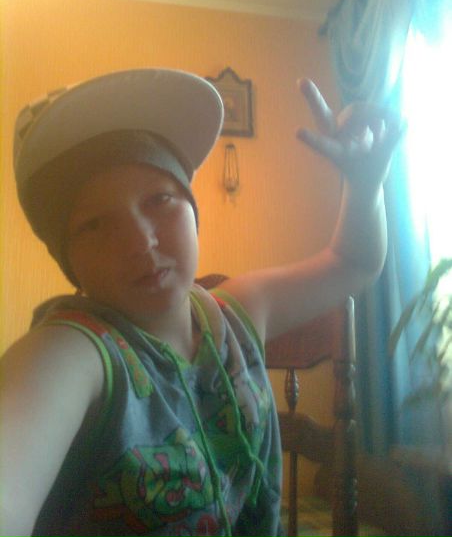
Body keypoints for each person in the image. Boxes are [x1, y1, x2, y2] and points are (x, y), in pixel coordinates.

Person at [0, 68, 403, 537]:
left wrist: (366, 186)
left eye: (159, 199)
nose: (140, 242)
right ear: (67, 259)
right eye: (95, 224)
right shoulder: (71, 353)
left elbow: (353, 262)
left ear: (193, 209)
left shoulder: (234, 316)